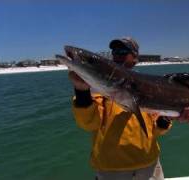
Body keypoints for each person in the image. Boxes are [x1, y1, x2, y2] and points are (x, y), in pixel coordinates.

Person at [68, 37, 173, 180]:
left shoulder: (150, 88)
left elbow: (157, 129)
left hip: (150, 166)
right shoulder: (97, 88)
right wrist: (81, 91)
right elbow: (88, 123)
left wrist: (167, 118)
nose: (116, 55)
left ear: (135, 57)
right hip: (111, 170)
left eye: (122, 51)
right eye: (114, 51)